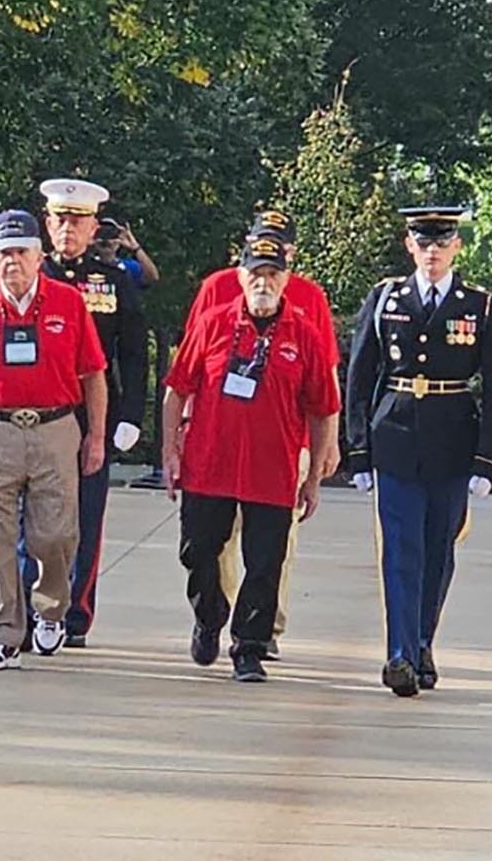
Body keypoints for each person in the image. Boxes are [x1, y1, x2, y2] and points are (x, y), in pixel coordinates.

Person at [346, 206, 492, 697]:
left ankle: (421, 643)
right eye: (424, 243)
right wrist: (359, 449)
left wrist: (488, 459)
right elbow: (360, 374)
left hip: (452, 437)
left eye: (441, 243)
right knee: (400, 549)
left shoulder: (479, 306)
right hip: (395, 435)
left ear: (457, 247)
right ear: (409, 246)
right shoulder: (386, 298)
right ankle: (398, 653)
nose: (432, 252)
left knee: (438, 550)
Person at [0, 210, 108, 670]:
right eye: (5, 253)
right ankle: (0, 632)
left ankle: (50, 610)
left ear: (39, 256)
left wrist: (96, 438)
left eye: (22, 252)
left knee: (55, 534)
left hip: (55, 429)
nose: (14, 262)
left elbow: (94, 375)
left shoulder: (69, 304)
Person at [161, 234, 339, 683]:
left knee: (265, 563)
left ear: (285, 279)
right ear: (240, 276)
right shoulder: (213, 322)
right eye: (255, 273)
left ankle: (249, 647)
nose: (263, 282)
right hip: (210, 463)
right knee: (197, 551)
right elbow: (177, 388)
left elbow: (323, 409)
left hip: (272, 468)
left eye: (272, 274)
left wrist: (314, 474)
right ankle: (210, 615)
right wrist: (169, 450)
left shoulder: (305, 333)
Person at [37, 177, 147, 648]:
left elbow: (135, 352)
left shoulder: (114, 281)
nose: (68, 229)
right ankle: (32, 604)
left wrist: (130, 416)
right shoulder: (29, 273)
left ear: (92, 226)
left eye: (77, 221)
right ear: (46, 223)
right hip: (38, 411)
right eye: (60, 219)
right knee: (34, 519)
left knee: (85, 517)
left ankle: (76, 612)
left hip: (90, 416)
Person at [97, 217, 159, 287]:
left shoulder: (128, 267)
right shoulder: (85, 266)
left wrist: (135, 247)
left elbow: (153, 277)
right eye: (101, 233)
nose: (107, 240)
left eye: (112, 234)